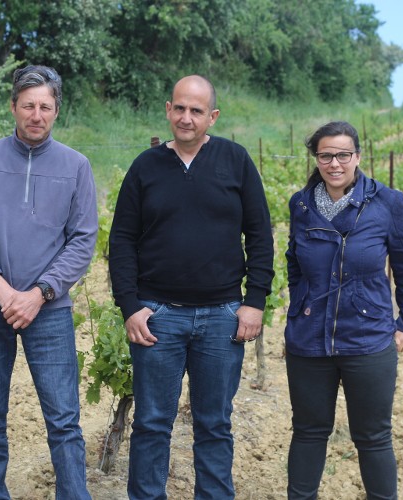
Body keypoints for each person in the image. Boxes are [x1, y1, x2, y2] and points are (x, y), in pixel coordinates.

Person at [108, 75, 275, 499]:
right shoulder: (146, 166)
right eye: (179, 108)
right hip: (156, 317)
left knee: (214, 424)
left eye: (196, 110)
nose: (186, 118)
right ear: (168, 109)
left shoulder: (235, 160)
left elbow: (259, 234)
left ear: (212, 116)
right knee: (151, 423)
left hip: (222, 317)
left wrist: (254, 302)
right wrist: (130, 305)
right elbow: (122, 239)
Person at [0, 64, 97, 499]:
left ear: (56, 111)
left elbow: (82, 240)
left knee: (64, 419)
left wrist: (39, 293)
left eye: (45, 106)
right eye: (28, 105)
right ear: (13, 107)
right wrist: (0, 287)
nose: (37, 114)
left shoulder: (77, 166)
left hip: (49, 311)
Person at [284, 121, 403, 499]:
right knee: (309, 431)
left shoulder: (387, 203)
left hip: (368, 340)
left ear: (357, 157)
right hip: (309, 343)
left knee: (373, 437)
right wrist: (301, 306)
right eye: (326, 155)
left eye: (343, 155)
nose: (334, 163)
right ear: (316, 158)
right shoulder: (300, 204)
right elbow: (294, 262)